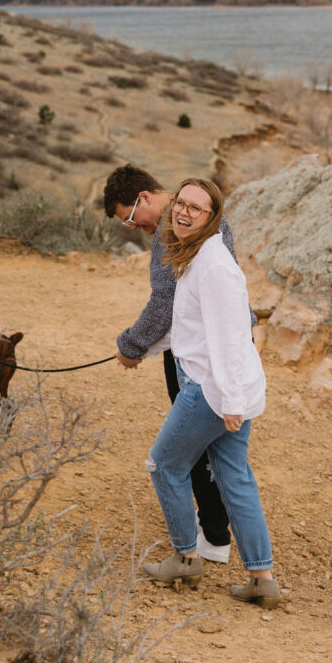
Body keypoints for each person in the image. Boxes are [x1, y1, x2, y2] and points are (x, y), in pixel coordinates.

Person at [103, 163, 253, 564]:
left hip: (200, 352)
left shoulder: (174, 228)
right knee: (223, 449)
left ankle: (212, 538)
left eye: (130, 217)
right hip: (221, 342)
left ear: (145, 198)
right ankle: (221, 536)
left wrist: (130, 347)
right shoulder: (205, 213)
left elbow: (164, 304)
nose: (132, 227)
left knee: (190, 444)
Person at [141, 177, 279, 608]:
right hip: (224, 385)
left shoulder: (214, 265)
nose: (183, 212)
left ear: (212, 217)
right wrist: (144, 349)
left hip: (212, 390)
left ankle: (185, 558)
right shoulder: (198, 254)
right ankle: (262, 578)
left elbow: (228, 338)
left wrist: (232, 404)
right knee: (235, 475)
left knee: (164, 465)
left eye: (195, 209)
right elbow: (190, 327)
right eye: (180, 203)